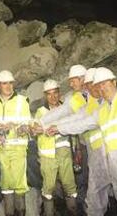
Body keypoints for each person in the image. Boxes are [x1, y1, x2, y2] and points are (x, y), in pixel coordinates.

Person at [46, 67, 117, 216]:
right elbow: (81, 123)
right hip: (116, 163)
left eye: (104, 83)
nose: (102, 88)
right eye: (99, 85)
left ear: (114, 82)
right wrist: (57, 128)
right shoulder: (102, 110)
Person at [0, 70, 31, 216]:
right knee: (5, 186)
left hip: (18, 148)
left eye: (11, 83)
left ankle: (21, 212)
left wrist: (18, 127)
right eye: (5, 83)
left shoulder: (22, 100)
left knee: (19, 186)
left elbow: (27, 124)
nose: (8, 86)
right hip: (1, 150)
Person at [34, 79, 77, 216]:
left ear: (59, 93)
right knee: (48, 188)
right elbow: (35, 129)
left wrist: (76, 151)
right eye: (49, 94)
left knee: (70, 186)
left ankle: (73, 212)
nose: (52, 97)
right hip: (48, 156)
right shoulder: (41, 112)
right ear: (45, 95)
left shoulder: (66, 109)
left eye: (55, 93)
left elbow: (74, 129)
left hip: (65, 153)